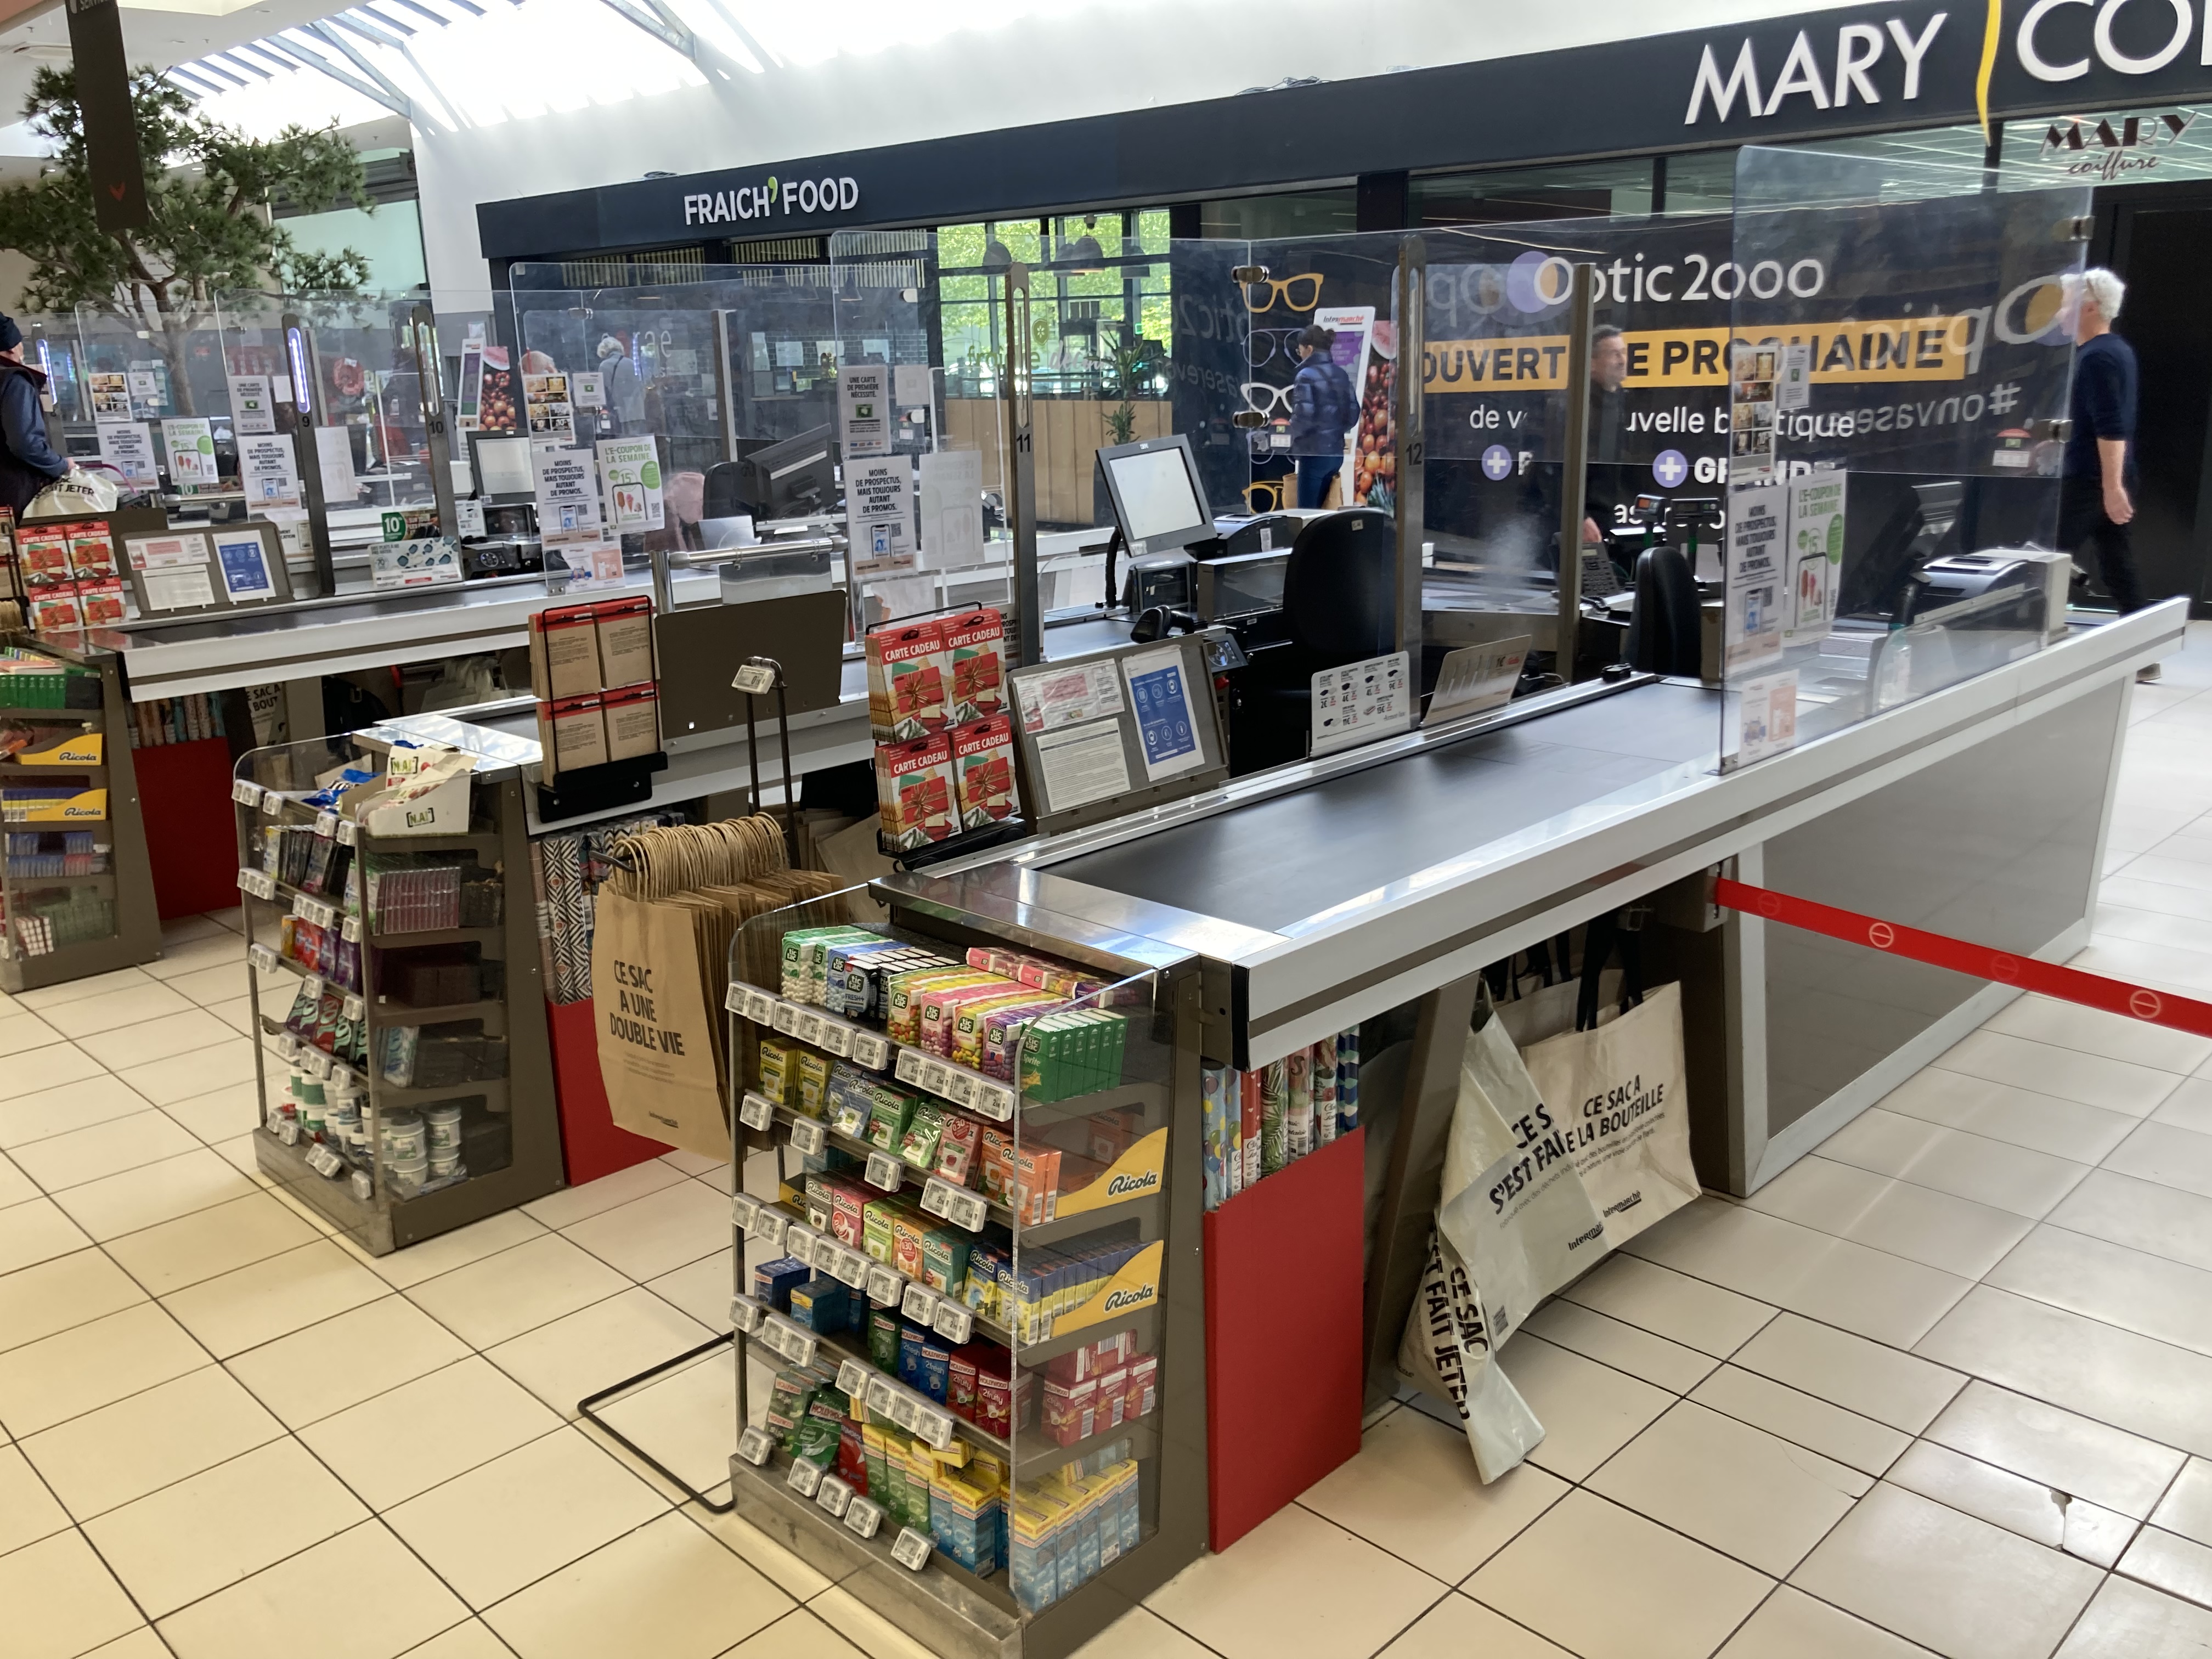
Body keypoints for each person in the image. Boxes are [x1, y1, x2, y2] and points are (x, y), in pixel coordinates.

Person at [2057, 268, 2154, 678]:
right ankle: (2145, 656)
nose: (2059, 312)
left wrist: (2112, 487)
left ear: (2089, 307)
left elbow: (2112, 426)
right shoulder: (2113, 351)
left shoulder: (2098, 357)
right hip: (2105, 476)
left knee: (2045, 557)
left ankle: (2030, 646)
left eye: (2066, 303)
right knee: (2117, 565)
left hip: (2092, 480)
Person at [0, 315, 67, 518]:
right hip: (10, 496)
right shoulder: (14, 382)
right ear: (13, 348)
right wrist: (61, 465)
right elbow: (25, 443)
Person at [1288, 324, 1358, 509]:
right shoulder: (1341, 374)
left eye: (1300, 351)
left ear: (1309, 349)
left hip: (1314, 454)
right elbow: (1353, 414)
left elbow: (1303, 418)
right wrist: (1334, 432)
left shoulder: (1305, 376)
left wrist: (1289, 434)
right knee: (1327, 511)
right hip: (1335, 454)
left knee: (1307, 514)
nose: (1300, 355)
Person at [1580, 324, 1629, 549]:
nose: (1622, 360)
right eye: (1614, 354)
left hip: (1606, 519)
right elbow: (1554, 473)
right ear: (1592, 364)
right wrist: (1581, 518)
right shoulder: (1575, 406)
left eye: (1623, 352)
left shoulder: (1620, 402)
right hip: (1578, 523)